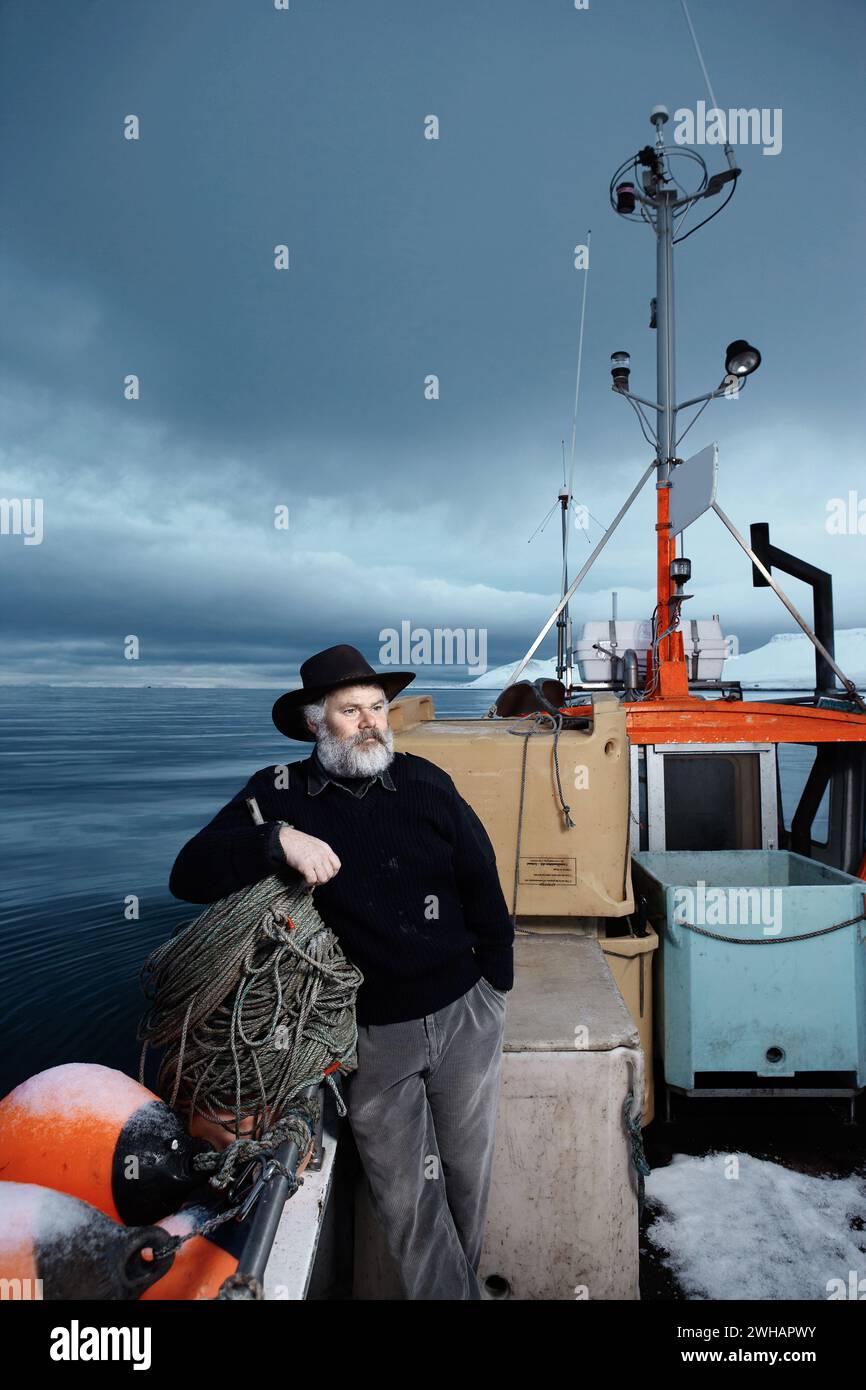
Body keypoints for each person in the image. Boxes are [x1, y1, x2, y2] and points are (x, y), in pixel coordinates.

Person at [169, 643, 514, 1300]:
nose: (370, 722)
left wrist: (496, 984)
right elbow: (188, 872)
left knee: (467, 1183)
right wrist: (276, 843)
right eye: (349, 709)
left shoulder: (425, 782)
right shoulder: (279, 793)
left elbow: (481, 880)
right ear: (312, 723)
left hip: (465, 1014)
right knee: (410, 1205)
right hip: (369, 1038)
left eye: (378, 707)